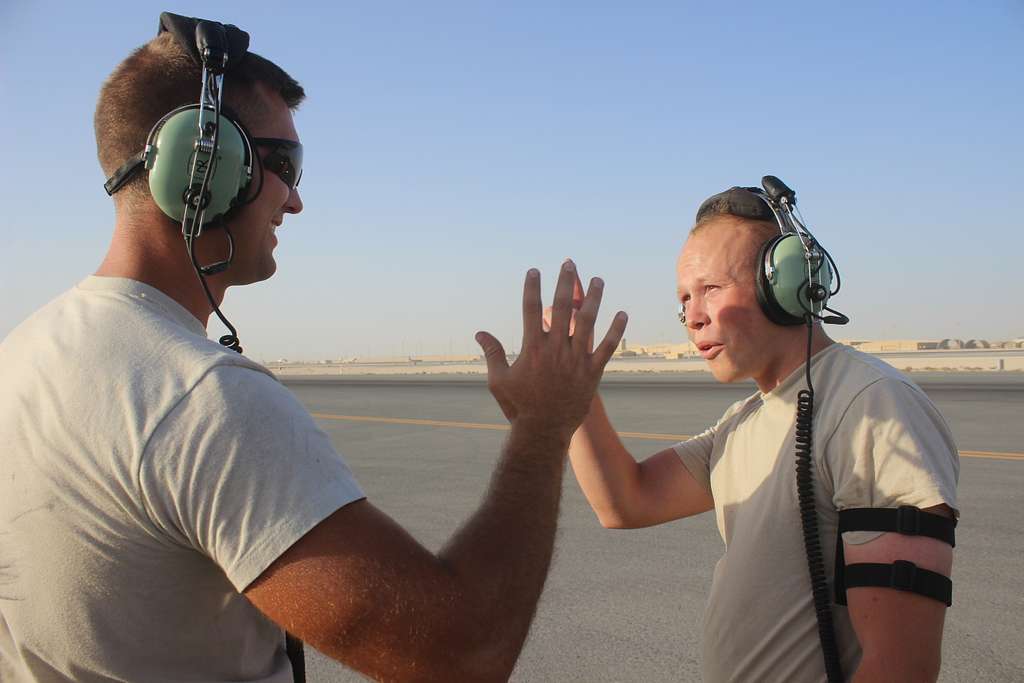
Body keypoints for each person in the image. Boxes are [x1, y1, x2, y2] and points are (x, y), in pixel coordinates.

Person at [0, 14, 627, 683]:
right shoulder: (199, 398)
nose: (296, 200)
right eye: (284, 165)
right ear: (206, 165)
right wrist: (544, 426)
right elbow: (460, 655)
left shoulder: (25, 351)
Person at [565, 185, 960, 682]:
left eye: (711, 288)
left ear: (787, 285)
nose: (692, 317)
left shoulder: (871, 405)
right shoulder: (742, 422)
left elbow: (900, 668)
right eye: (684, 299)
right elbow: (626, 502)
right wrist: (574, 392)